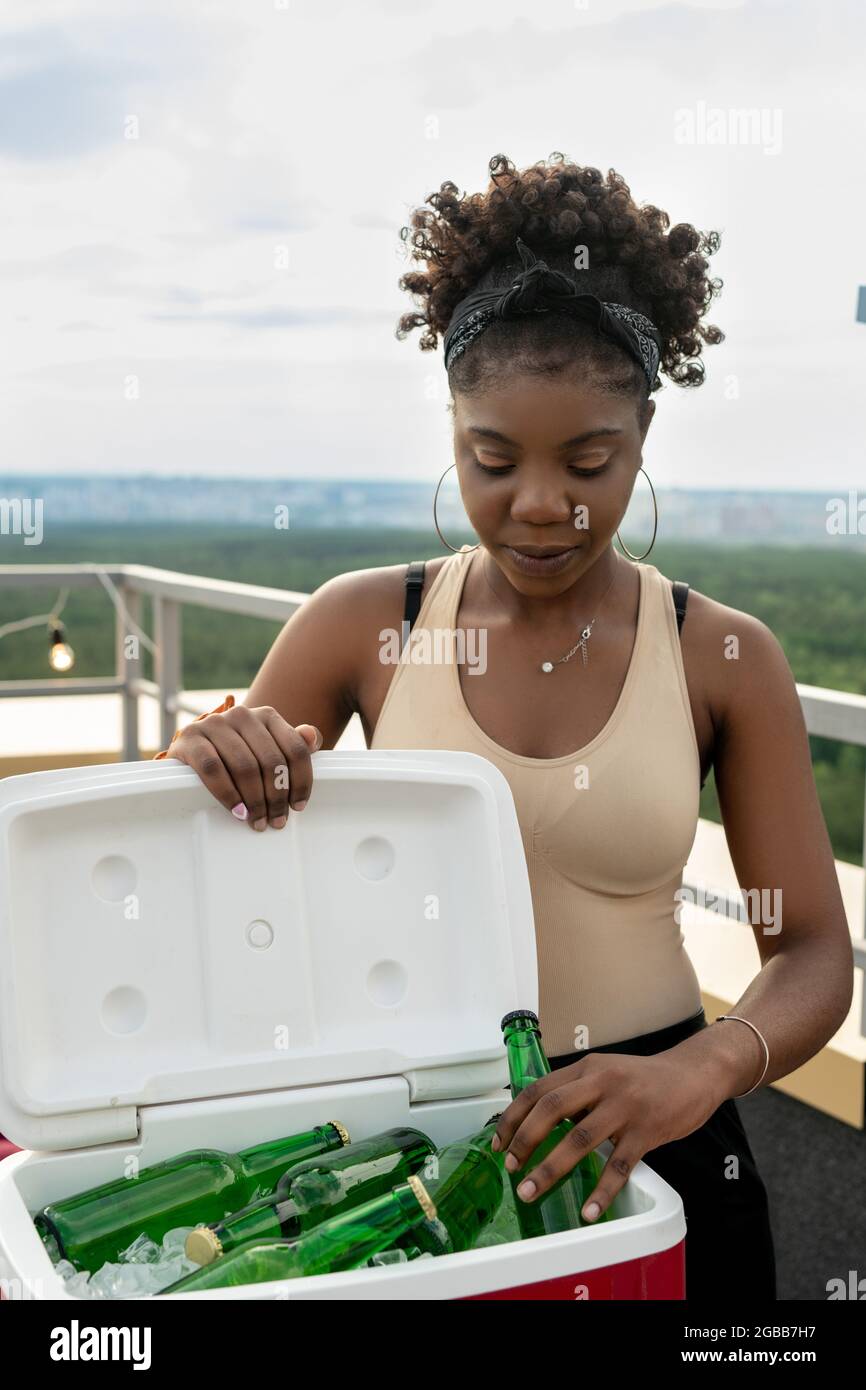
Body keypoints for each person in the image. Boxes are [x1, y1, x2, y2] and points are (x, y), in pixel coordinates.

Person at [155, 153, 852, 1301]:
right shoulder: (362, 624)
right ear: (451, 428)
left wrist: (697, 1073)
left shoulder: (721, 652)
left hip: (662, 1136)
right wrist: (203, 761)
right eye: (491, 459)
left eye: (588, 461)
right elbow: (203, 871)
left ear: (641, 438)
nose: (537, 503)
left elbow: (815, 953)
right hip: (410, 1162)